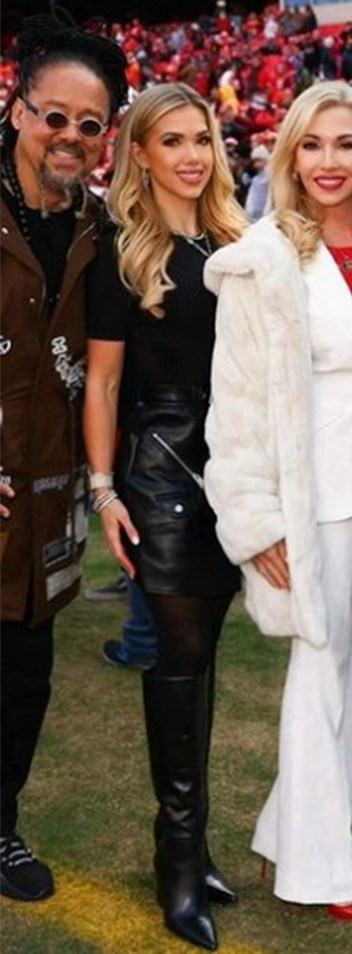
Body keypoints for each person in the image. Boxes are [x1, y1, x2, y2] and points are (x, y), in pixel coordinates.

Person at [203, 82, 352, 922]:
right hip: (308, 497)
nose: (329, 162)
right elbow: (236, 403)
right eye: (312, 145)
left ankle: (286, 836)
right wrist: (254, 519)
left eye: (345, 143)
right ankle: (322, 871)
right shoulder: (263, 256)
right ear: (288, 154)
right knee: (319, 672)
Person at [83, 82, 247, 951]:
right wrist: (106, 489)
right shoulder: (123, 249)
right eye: (171, 140)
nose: (191, 154)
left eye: (201, 138)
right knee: (178, 667)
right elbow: (105, 381)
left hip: (236, 470)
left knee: (202, 662)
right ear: (139, 153)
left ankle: (194, 847)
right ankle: (175, 864)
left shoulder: (235, 236)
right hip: (164, 473)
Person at [0, 14, 128, 903]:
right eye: (54, 116)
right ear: (15, 110)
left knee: (23, 680)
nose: (70, 137)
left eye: (89, 124)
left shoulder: (96, 227)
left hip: (46, 499)